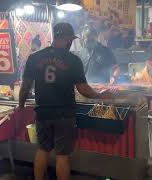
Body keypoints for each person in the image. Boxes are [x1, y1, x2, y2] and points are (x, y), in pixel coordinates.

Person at [18, 23, 116, 180]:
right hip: (65, 114)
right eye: (71, 39)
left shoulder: (34, 57)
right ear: (68, 39)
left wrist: (21, 106)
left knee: (42, 150)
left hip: (43, 113)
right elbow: (83, 89)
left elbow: (25, 87)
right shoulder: (73, 60)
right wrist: (100, 95)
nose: (71, 43)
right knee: (62, 156)